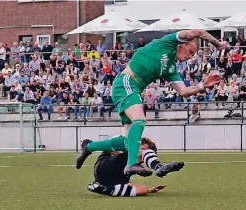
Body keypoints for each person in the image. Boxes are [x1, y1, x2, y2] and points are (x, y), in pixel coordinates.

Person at [76, 30, 226, 176]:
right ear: (182, 44)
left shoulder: (170, 67)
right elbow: (198, 32)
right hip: (126, 82)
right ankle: (132, 164)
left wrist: (202, 86)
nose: (190, 57)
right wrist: (217, 43)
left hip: (132, 89)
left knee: (129, 142)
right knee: (139, 120)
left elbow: (183, 92)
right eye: (191, 52)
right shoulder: (166, 43)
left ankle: (89, 146)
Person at [87, 137, 184, 197]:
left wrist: (149, 190)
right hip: (105, 165)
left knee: (142, 189)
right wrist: (128, 152)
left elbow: (127, 181)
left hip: (106, 180)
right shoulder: (125, 144)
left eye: (144, 151)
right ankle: (158, 167)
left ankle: (104, 189)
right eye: (141, 149)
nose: (141, 153)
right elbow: (109, 150)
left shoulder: (136, 165)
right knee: (136, 154)